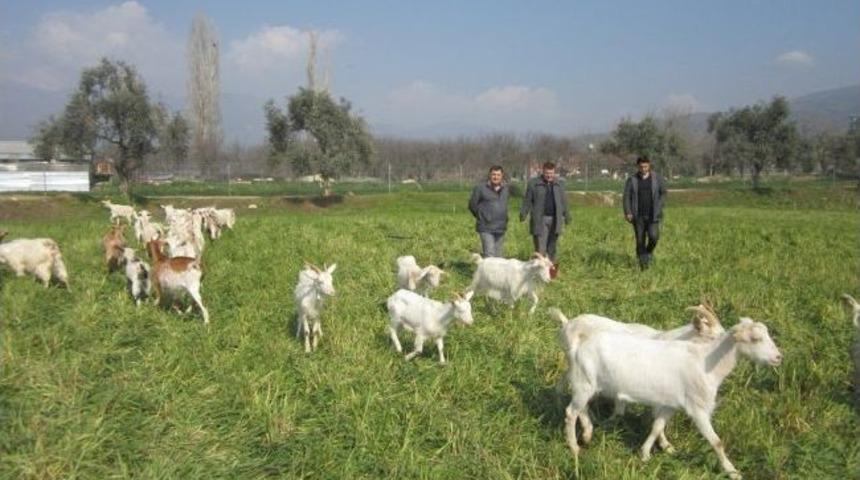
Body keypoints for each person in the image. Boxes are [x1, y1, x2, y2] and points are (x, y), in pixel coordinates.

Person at [519, 162, 570, 277]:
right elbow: (527, 200)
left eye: (551, 173)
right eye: (547, 173)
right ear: (543, 172)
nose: (549, 175)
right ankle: (538, 274)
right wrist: (523, 213)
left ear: (554, 172)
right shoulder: (534, 184)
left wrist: (567, 215)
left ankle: (552, 274)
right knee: (540, 249)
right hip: (540, 220)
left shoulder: (559, 184)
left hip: (555, 219)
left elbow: (564, 202)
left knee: (552, 248)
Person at [623, 156, 667, 270]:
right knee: (640, 241)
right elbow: (626, 196)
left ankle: (648, 253)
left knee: (654, 237)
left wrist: (660, 205)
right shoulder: (632, 179)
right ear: (638, 166)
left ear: (649, 165)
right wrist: (628, 212)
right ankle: (643, 266)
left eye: (645, 166)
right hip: (638, 216)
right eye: (641, 166)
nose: (643, 168)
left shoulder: (657, 178)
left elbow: (663, 193)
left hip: (653, 215)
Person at [468, 165, 510, 257]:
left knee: (499, 256)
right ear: (489, 175)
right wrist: (482, 216)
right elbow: (472, 205)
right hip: (486, 227)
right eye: (493, 174)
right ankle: (487, 271)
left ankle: (498, 272)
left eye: (498, 175)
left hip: (501, 227)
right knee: (489, 255)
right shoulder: (480, 188)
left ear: (502, 176)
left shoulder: (506, 189)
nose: (496, 177)